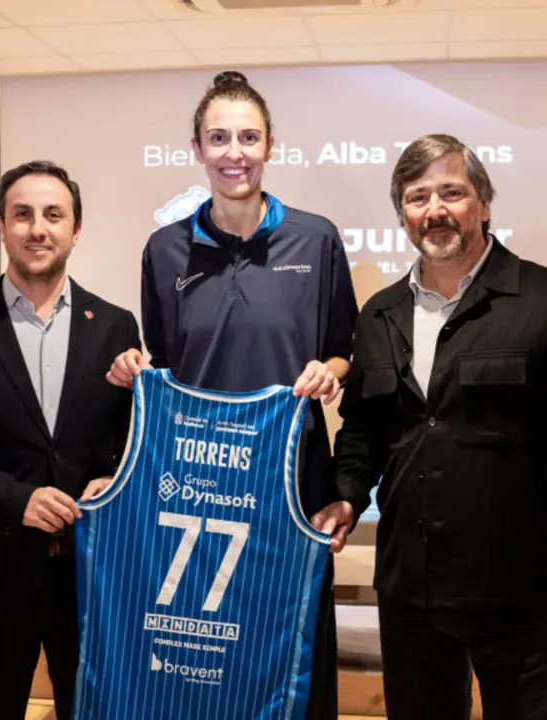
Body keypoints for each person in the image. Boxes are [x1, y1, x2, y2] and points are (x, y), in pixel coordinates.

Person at [327, 133, 547, 720]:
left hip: (517, 590)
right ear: (402, 213)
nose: (435, 211)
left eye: (452, 192)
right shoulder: (380, 315)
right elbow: (365, 432)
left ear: (484, 204)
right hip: (409, 589)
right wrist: (345, 494)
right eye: (418, 197)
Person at [105, 70, 358, 719]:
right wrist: (137, 369)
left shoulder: (317, 237)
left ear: (271, 145)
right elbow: (166, 363)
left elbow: (343, 347)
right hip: (201, 486)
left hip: (292, 479)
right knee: (207, 656)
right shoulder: (165, 251)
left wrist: (330, 372)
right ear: (197, 148)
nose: (234, 152)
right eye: (218, 138)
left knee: (294, 652)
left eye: (248, 136)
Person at [0, 160, 142, 720]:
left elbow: (136, 438)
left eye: (53, 215)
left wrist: (116, 477)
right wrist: (20, 502)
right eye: (23, 215)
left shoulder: (115, 326)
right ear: (2, 226)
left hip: (93, 580)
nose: (38, 228)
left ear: (76, 229)